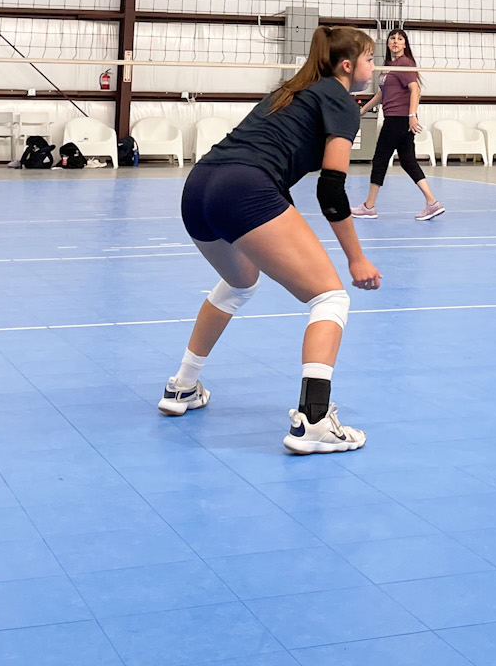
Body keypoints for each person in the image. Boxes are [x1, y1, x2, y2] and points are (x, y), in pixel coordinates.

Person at [159, 25, 382, 454]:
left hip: (199, 187)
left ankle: (183, 386)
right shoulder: (340, 100)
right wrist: (356, 258)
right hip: (245, 189)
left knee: (242, 281)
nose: (374, 67)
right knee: (330, 298)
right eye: (370, 59)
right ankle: (315, 420)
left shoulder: (290, 91)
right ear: (348, 65)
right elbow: (331, 190)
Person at [356, 29, 445, 221]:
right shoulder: (390, 65)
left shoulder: (405, 64)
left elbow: (415, 89)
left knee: (380, 160)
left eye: (400, 39)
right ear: (388, 43)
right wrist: (363, 110)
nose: (395, 41)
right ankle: (432, 203)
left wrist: (412, 115)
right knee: (407, 161)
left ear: (405, 44)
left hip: (398, 119)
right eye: (392, 38)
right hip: (398, 120)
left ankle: (369, 207)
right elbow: (382, 94)